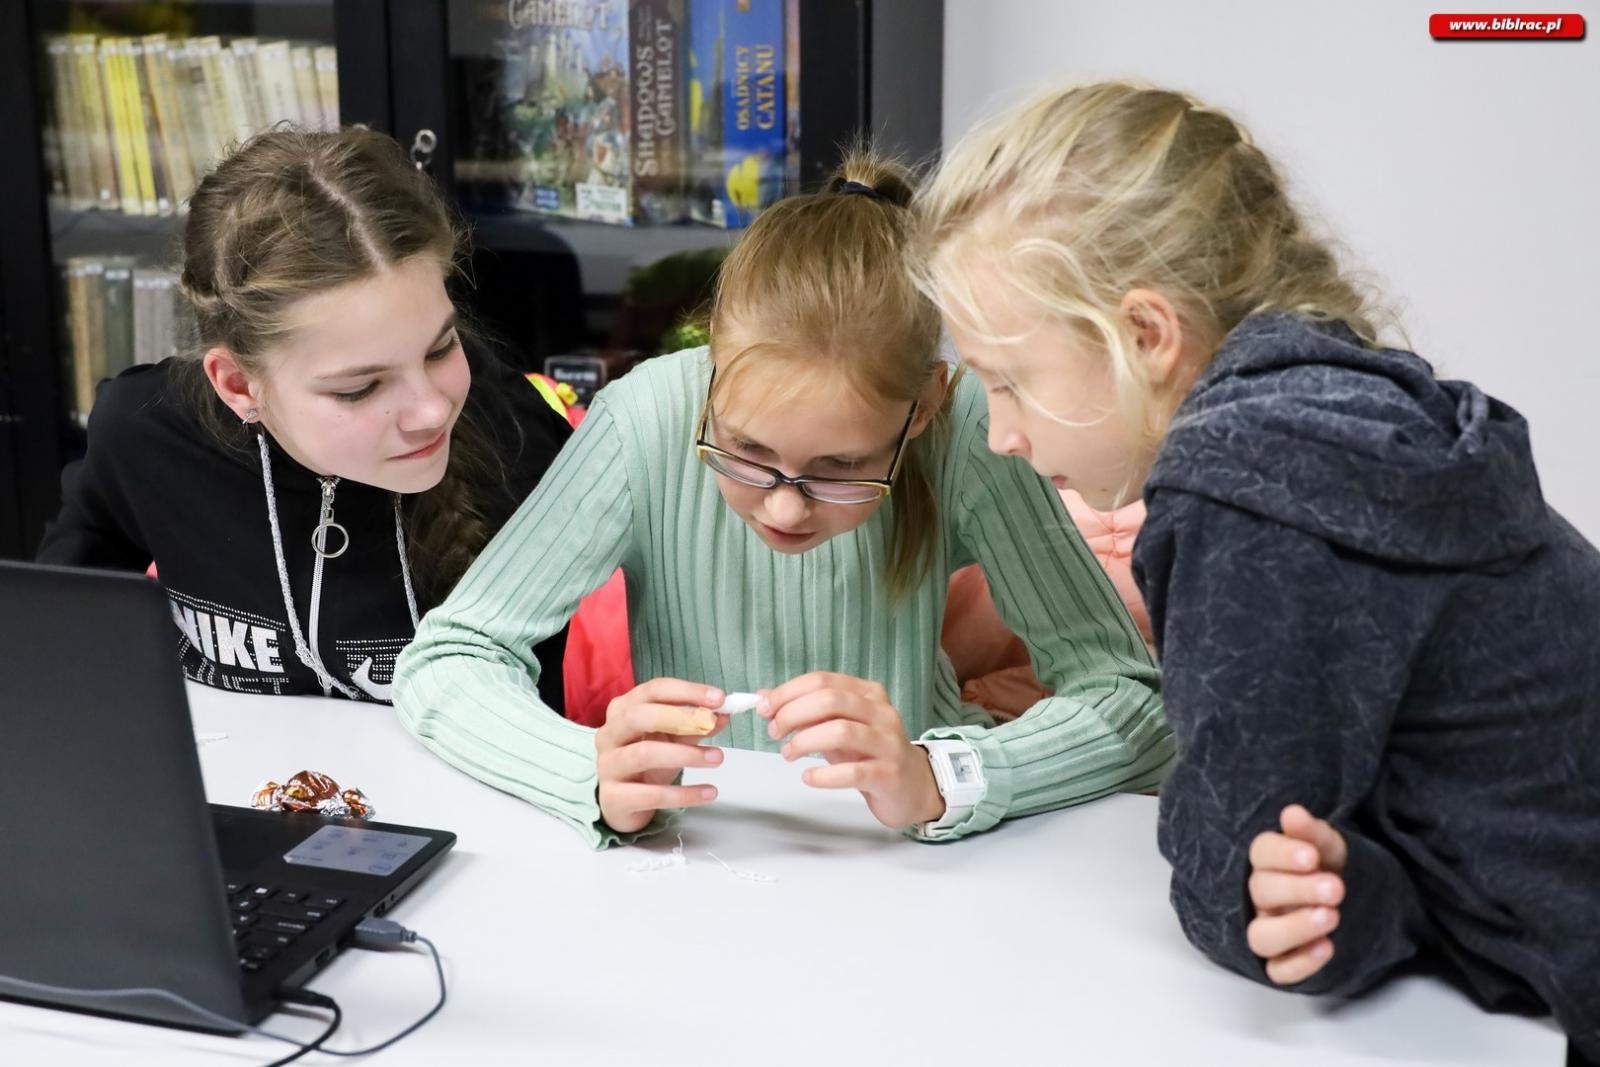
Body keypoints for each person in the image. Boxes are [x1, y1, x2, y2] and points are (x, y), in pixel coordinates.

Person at [912, 80, 1600, 1056]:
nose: (1002, 434)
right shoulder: (1344, 403)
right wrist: (1352, 889)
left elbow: (1226, 865)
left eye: (1008, 380)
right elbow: (1395, 823)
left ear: (1145, 337)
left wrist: (1258, 878)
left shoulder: (1241, 492)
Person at [392, 151, 1172, 847]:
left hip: (913, 865)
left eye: (841, 467)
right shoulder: (649, 416)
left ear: (924, 407)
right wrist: (586, 768)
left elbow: (1133, 702)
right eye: (747, 452)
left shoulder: (968, 429)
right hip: (702, 850)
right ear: (712, 364)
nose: (785, 509)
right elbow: (449, 658)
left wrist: (942, 776)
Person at [37, 127, 574, 705]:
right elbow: (55, 641)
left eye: (441, 348)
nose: (431, 410)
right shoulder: (144, 433)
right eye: (360, 387)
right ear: (240, 386)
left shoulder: (517, 437)